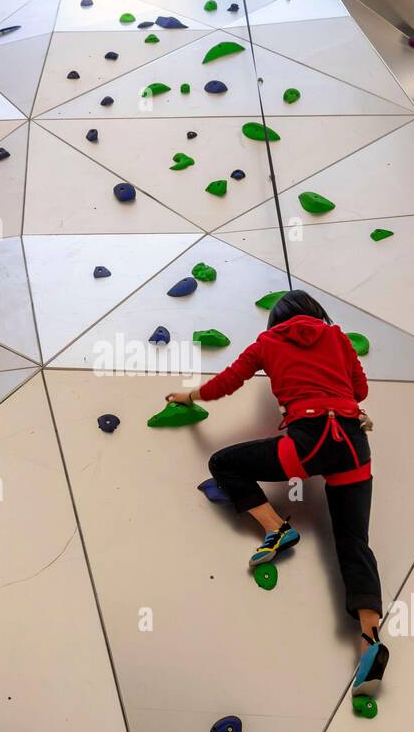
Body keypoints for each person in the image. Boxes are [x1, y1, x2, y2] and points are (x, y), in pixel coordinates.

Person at [166, 290, 388, 697]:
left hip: (306, 441)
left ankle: (277, 529)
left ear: (276, 322)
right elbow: (360, 390)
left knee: (224, 464)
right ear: (317, 314)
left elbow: (227, 383)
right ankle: (369, 640)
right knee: (354, 542)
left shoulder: (267, 343)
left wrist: (189, 395)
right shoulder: (337, 336)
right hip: (354, 447)